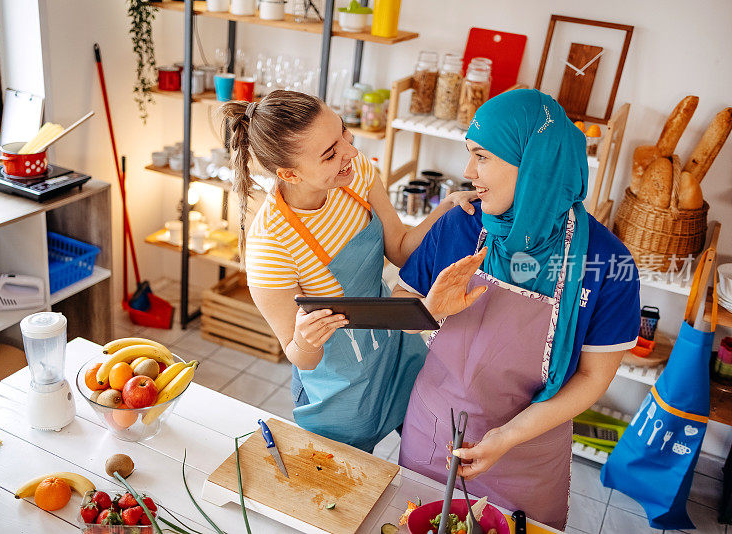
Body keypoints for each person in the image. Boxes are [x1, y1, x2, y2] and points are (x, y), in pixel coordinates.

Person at [393, 89, 641, 529]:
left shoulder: (606, 262)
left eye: (483, 157)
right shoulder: (459, 223)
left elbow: (592, 377)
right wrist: (429, 309)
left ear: (534, 163)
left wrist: (507, 437)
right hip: (433, 434)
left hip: (526, 454)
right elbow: (401, 305)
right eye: (469, 155)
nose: (468, 172)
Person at [220, 90, 475, 452]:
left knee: (434, 459)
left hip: (399, 353)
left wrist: (445, 211)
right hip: (341, 390)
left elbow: (400, 248)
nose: (350, 152)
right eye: (330, 154)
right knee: (343, 492)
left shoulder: (357, 176)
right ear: (288, 173)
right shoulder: (270, 245)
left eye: (342, 134)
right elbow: (299, 356)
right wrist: (306, 339)